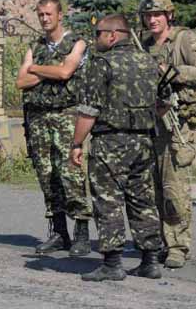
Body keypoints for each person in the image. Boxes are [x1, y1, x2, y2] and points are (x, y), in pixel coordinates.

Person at [70, 14, 164, 282]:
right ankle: (150, 261)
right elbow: (165, 101)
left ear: (112, 35)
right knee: (143, 201)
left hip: (110, 142)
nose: (95, 38)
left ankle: (112, 264)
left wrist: (76, 144)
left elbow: (89, 111)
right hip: (144, 141)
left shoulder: (102, 63)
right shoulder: (149, 61)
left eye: (98, 33)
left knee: (108, 200)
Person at [139, 0, 196, 268]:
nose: (152, 19)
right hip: (149, 122)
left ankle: (178, 246)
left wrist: (170, 71)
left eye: (157, 14)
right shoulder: (143, 43)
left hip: (177, 123)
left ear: (169, 15)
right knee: (151, 187)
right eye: (148, 15)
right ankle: (160, 239)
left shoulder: (185, 39)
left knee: (174, 187)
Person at [16, 0, 93, 257]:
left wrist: (36, 70)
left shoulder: (77, 42)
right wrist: (44, 69)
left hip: (66, 115)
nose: (45, 19)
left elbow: (65, 73)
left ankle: (82, 233)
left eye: (49, 14)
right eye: (41, 14)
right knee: (47, 175)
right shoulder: (35, 46)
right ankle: (59, 232)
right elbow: (21, 81)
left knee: (70, 173)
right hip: (38, 119)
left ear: (60, 15)